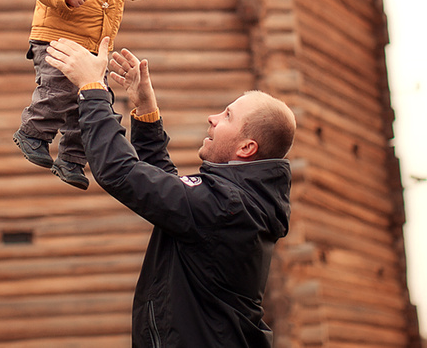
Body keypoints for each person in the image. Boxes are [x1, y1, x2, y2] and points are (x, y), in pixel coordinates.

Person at [46, 36, 296, 348]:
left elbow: (120, 172)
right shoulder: (233, 203)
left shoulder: (228, 206)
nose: (213, 118)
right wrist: (146, 111)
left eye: (227, 116)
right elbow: (167, 192)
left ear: (247, 148)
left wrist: (92, 89)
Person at [14, 0, 177, 189]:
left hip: (92, 48)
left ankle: (72, 160)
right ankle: (32, 133)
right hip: (57, 39)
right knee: (61, 92)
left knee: (89, 102)